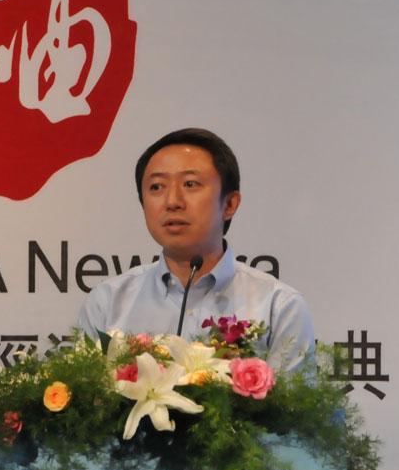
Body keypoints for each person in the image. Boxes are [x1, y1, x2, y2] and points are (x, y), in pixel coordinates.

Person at [78, 128, 314, 371]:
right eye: (156, 187)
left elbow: (294, 396)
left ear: (229, 204)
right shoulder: (108, 303)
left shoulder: (278, 307)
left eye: (190, 184)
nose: (172, 201)